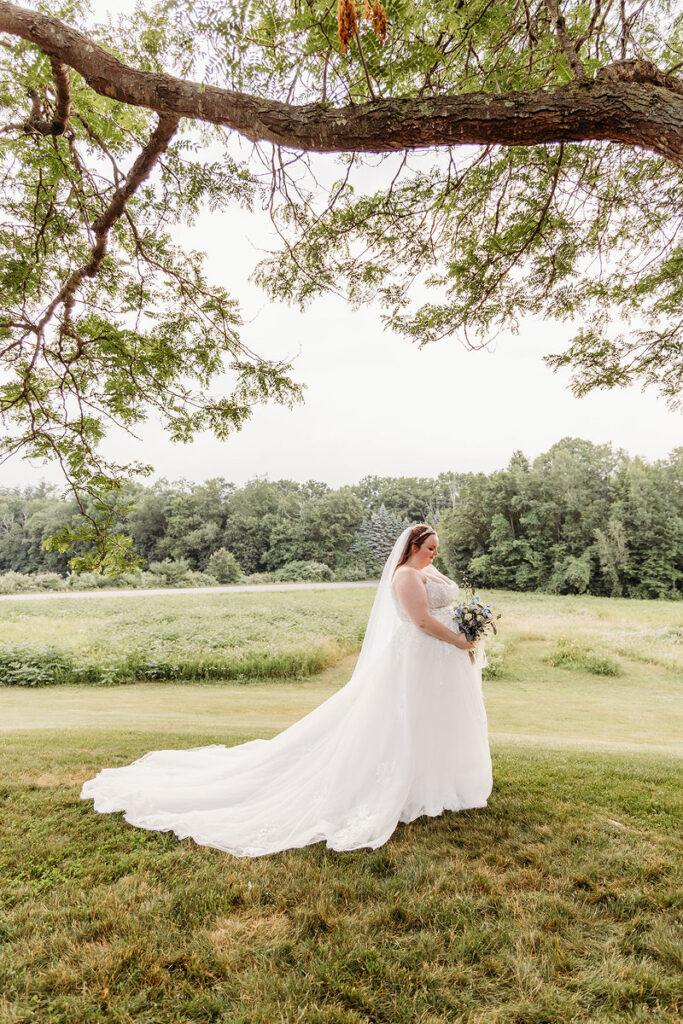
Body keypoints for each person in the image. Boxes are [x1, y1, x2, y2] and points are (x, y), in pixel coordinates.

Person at [81, 524, 492, 856]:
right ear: (412, 547)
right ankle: (398, 786)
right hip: (418, 657)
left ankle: (435, 783)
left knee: (435, 722)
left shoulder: (428, 571)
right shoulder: (405, 575)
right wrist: (458, 639)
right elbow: (420, 620)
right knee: (402, 723)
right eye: (429, 548)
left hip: (440, 660)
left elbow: (443, 605)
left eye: (437, 548)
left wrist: (466, 623)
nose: (434, 553)